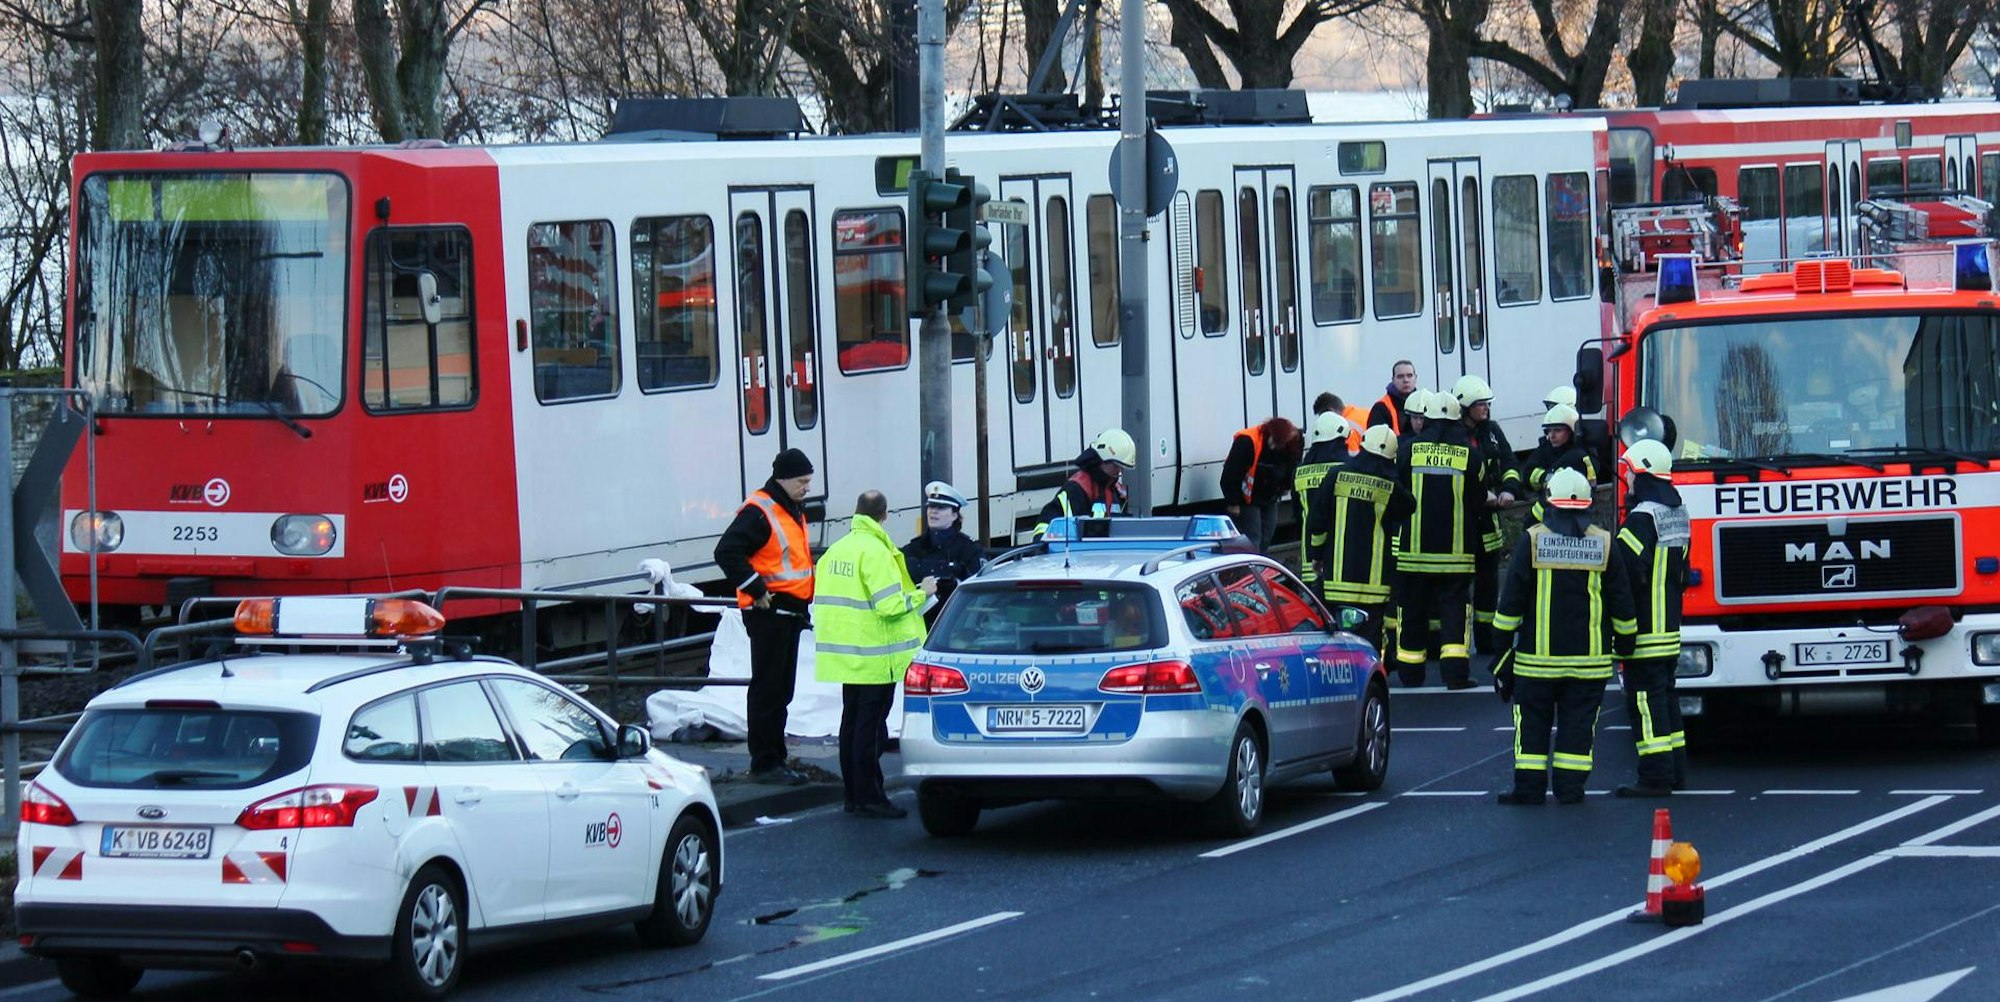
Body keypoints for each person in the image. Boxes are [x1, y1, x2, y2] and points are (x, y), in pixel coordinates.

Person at [1492, 468, 1639, 805]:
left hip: (1536, 666)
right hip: (1589, 666)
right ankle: (1570, 789)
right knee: (1578, 728)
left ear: (1549, 501)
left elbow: (1510, 602)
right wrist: (1626, 645)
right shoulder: (1604, 543)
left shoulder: (1532, 540)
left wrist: (1500, 656)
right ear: (1587, 505)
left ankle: (1529, 790)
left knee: (1532, 727)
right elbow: (1621, 600)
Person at [814, 491, 935, 818]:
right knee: (869, 730)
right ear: (883, 515)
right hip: (876, 657)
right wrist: (922, 594)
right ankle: (870, 796)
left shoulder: (835, 552)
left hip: (846, 655)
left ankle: (853, 795)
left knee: (851, 726)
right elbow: (890, 606)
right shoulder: (876, 553)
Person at [713, 448, 817, 784]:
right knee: (769, 689)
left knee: (779, 689)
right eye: (802, 481)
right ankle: (766, 763)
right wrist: (756, 589)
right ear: (784, 479)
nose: (807, 487)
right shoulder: (761, 510)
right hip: (770, 613)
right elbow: (726, 551)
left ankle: (775, 758)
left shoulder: (785, 506)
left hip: (786, 613)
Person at [1614, 439, 1691, 797]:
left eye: (1630, 470)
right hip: (1670, 629)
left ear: (1642, 473)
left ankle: (1655, 777)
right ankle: (1675, 771)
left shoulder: (1642, 517)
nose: (1626, 477)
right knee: (1666, 701)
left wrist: (1619, 628)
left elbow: (1622, 572)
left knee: (1646, 704)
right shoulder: (1678, 512)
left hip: (1645, 630)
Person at [1394, 391, 1483, 689]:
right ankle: (1456, 675)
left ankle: (1410, 673)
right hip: (1455, 554)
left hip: (1413, 554)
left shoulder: (1407, 450)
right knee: (1455, 612)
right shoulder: (1470, 455)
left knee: (1413, 612)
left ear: (1426, 418)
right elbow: (1478, 500)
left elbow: (1397, 493)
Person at [1306, 424, 1412, 649]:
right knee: (1367, 644)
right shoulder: (1389, 487)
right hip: (1373, 587)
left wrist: (1317, 556)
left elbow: (1318, 522)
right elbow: (1409, 506)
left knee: (1334, 639)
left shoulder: (1336, 475)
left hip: (1336, 582)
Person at [1455, 375, 1520, 655]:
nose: (1486, 409)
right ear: (1465, 406)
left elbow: (1508, 462)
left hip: (1488, 523)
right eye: (1481, 404)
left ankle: (1486, 640)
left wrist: (1509, 489)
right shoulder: (1454, 435)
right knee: (1459, 587)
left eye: (1487, 404)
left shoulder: (1491, 431)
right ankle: (1457, 643)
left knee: (1488, 582)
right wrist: (1480, 495)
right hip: (1462, 521)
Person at [901, 480, 984, 620]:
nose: (933, 511)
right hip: (919, 624)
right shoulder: (914, 548)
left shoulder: (969, 549)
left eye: (941, 507)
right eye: (931, 506)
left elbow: (979, 595)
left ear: (954, 515)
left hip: (955, 624)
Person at [1221, 416, 1304, 554]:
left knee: (1267, 534)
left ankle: (1258, 564)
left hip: (1269, 496)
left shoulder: (1291, 443)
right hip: (1247, 499)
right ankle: (1249, 569)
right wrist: (1233, 502)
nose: (1275, 448)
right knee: (1253, 536)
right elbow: (1231, 473)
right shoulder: (1248, 441)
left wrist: (1285, 487)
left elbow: (1292, 466)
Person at [1035, 427, 1135, 535]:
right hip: (1081, 551)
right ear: (1103, 459)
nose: (1119, 471)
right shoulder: (1076, 489)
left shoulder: (1115, 491)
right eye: (1116, 466)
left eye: (1122, 468)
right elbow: (1045, 526)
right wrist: (1044, 545)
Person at [1294, 411, 1352, 592]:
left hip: (1309, 560)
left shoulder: (1300, 472)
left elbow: (1298, 515)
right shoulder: (1346, 470)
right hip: (1342, 559)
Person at [1522, 403, 1597, 525]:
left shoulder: (1576, 457)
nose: (1551, 436)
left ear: (1571, 431)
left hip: (1566, 517)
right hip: (1551, 516)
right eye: (1548, 431)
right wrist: (1547, 477)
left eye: (1557, 430)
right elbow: (1526, 475)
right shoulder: (1546, 449)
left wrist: (1531, 522)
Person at [1368, 359, 1420, 433]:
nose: (1406, 380)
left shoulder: (1425, 403)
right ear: (1393, 380)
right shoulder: (1381, 408)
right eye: (1400, 376)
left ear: (1415, 378)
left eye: (1409, 376)